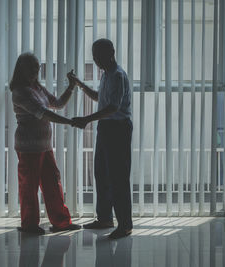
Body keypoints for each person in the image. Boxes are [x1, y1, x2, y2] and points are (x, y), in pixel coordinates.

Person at [10, 52, 81, 234]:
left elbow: (57, 104)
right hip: (28, 147)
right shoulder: (20, 91)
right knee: (29, 186)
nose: (35, 70)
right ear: (21, 69)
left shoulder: (36, 88)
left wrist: (71, 87)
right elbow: (44, 112)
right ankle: (29, 225)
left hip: (44, 145)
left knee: (52, 182)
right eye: (31, 67)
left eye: (37, 67)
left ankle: (61, 222)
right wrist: (70, 122)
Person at [71, 39, 133, 239]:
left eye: (99, 55)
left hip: (117, 129)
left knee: (118, 178)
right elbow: (101, 98)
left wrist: (87, 119)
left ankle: (125, 225)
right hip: (106, 128)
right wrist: (80, 84)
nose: (96, 60)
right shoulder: (107, 75)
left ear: (112, 52)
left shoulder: (117, 76)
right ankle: (105, 218)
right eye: (95, 56)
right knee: (102, 174)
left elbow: (113, 107)